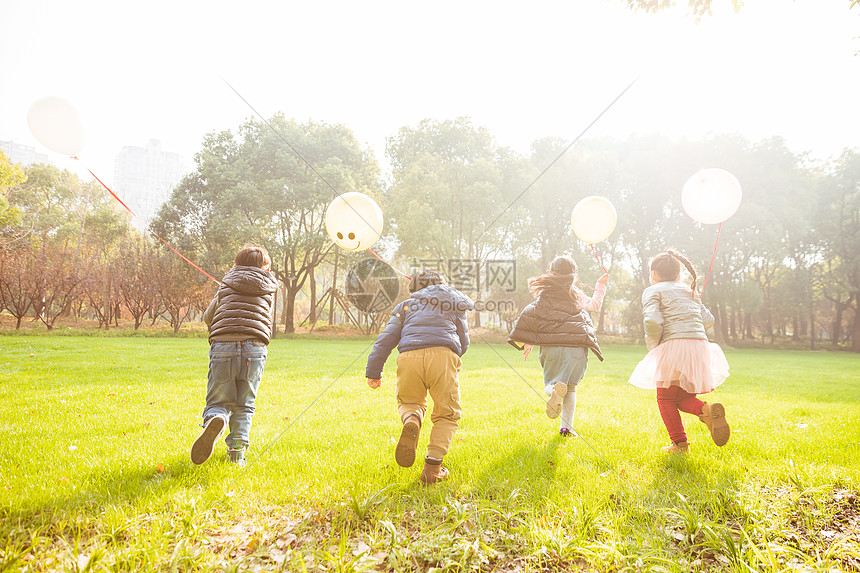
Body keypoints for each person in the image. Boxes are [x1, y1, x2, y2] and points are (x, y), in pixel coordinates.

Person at [365, 270, 474, 485]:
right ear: (441, 287)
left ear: (414, 288)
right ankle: (432, 469)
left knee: (410, 402)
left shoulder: (405, 306)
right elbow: (464, 338)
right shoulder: (452, 303)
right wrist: (454, 357)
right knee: (447, 414)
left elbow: (385, 340)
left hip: (408, 356)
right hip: (443, 355)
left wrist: (374, 371)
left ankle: (412, 419)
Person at [627, 249, 731, 454]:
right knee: (682, 398)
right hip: (699, 346)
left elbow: (652, 320)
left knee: (665, 398)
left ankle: (680, 445)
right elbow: (709, 320)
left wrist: (654, 347)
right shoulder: (689, 290)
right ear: (679, 274)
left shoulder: (653, 290)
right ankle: (707, 410)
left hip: (674, 346)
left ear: (653, 274)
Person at [191, 245, 278, 468]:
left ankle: (215, 419)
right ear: (266, 268)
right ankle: (237, 456)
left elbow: (208, 317)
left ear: (235, 264)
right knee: (244, 404)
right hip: (255, 349)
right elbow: (267, 320)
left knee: (218, 400)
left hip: (223, 346)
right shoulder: (269, 288)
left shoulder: (226, 285)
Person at [507, 256, 606, 437]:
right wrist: (600, 285)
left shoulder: (545, 293)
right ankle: (566, 429)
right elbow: (594, 304)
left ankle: (553, 391)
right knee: (571, 388)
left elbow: (536, 316)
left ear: (552, 273)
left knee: (551, 383)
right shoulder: (575, 293)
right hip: (576, 347)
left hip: (551, 347)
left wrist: (529, 341)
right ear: (573, 275)